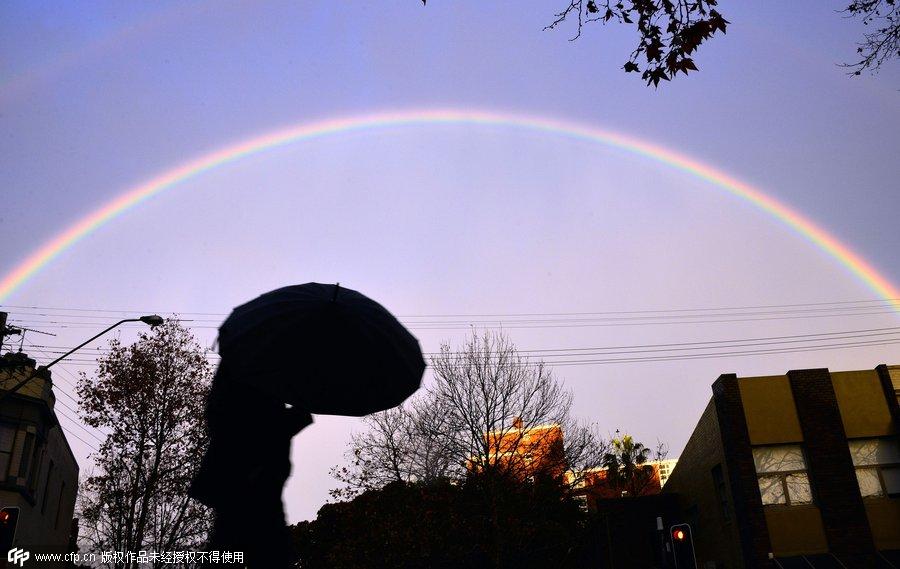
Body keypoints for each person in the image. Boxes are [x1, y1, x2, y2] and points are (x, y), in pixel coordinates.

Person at [189, 360, 313, 568]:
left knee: (234, 547)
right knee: (260, 550)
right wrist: (296, 415)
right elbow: (259, 427)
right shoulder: (253, 373)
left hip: (247, 482)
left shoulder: (250, 366)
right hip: (246, 482)